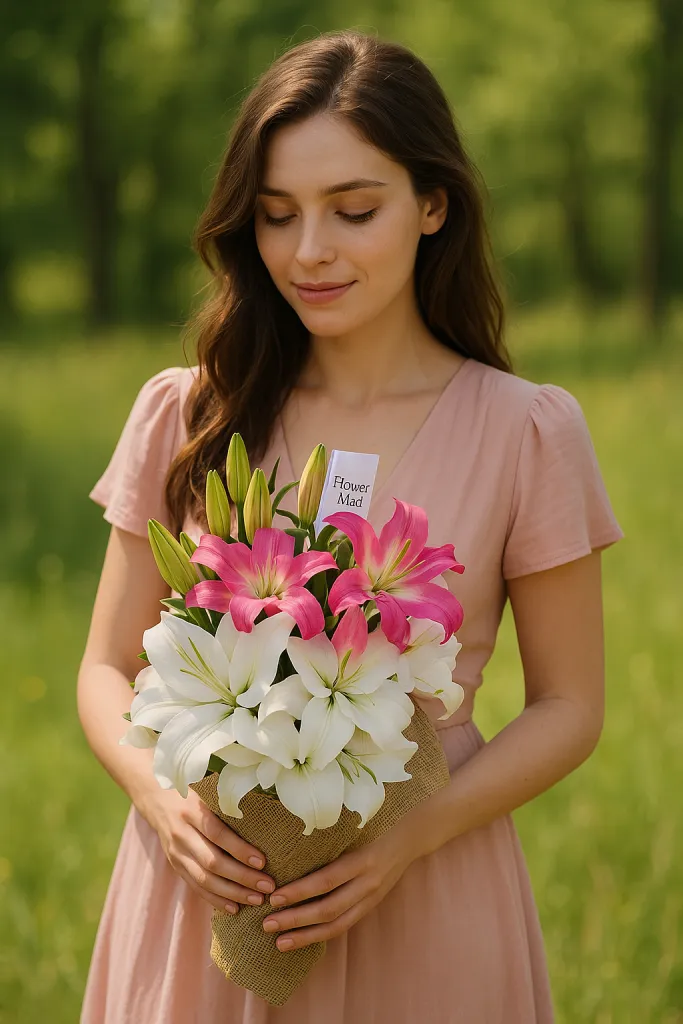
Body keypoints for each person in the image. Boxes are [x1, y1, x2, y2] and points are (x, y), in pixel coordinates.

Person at [78, 30, 624, 1024]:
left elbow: (569, 704)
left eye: (353, 210)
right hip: (205, 886)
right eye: (276, 216)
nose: (307, 251)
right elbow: (104, 667)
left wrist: (405, 841)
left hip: (422, 884)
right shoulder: (186, 412)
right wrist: (161, 805)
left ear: (432, 204)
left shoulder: (526, 429)